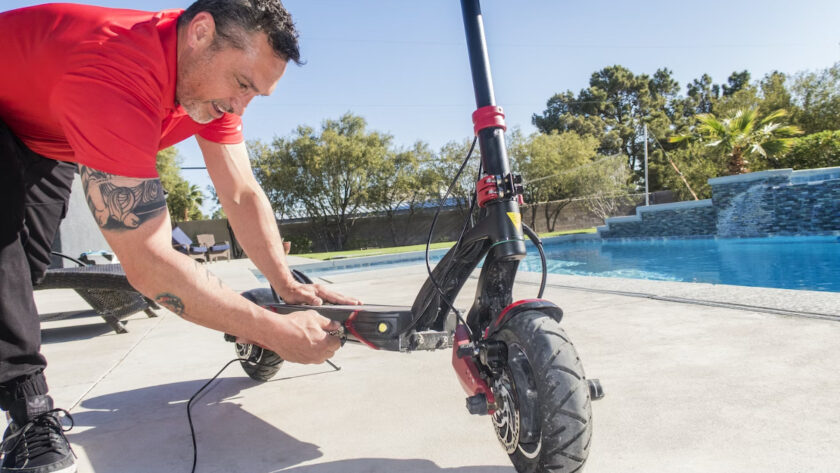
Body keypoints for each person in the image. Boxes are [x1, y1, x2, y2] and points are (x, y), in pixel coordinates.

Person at [0, 1, 360, 472]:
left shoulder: (210, 82)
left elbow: (241, 193)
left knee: (27, 264)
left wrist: (288, 286)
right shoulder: (114, 73)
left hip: (45, 130)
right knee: (5, 257)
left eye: (255, 94)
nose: (240, 106)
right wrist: (273, 331)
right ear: (200, 33)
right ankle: (29, 417)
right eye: (242, 84)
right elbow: (148, 263)